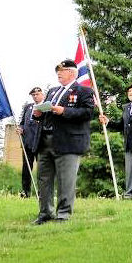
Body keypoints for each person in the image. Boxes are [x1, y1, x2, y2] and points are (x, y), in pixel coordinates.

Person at [31, 60, 95, 224]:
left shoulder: (84, 91)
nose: (59, 73)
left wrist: (64, 111)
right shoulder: (52, 91)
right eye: (57, 70)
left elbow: (87, 113)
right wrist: (38, 114)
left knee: (65, 179)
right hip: (45, 140)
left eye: (63, 70)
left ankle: (63, 214)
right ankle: (45, 212)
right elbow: (47, 112)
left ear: (73, 73)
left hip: (68, 141)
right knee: (44, 179)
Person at [16, 87, 45, 198]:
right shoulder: (28, 107)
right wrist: (21, 128)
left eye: (37, 94)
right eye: (33, 94)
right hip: (27, 142)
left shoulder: (46, 106)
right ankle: (25, 192)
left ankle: (42, 193)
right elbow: (22, 122)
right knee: (26, 168)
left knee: (42, 169)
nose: (35, 96)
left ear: (43, 94)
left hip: (41, 142)